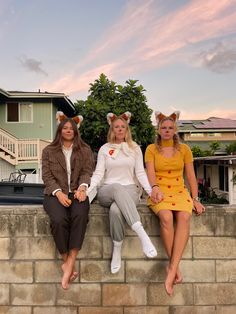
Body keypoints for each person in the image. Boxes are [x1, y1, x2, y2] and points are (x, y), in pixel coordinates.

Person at [87, 112, 157, 274]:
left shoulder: (135, 148)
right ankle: (142, 234)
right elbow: (98, 174)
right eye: (116, 127)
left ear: (127, 129)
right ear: (112, 129)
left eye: (123, 127)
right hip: (108, 190)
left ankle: (117, 249)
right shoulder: (105, 149)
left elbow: (140, 173)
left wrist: (150, 191)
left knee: (116, 210)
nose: (119, 129)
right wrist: (87, 189)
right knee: (116, 187)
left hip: (130, 190)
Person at [145, 111, 205, 296]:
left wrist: (195, 198)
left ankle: (171, 269)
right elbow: (150, 173)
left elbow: (191, 176)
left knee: (185, 216)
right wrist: (154, 187)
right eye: (164, 127)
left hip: (179, 191)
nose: (167, 130)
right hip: (159, 191)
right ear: (159, 129)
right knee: (166, 216)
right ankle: (175, 268)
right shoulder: (151, 149)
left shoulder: (185, 149)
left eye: (170, 128)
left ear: (175, 130)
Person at [42, 112, 94, 290]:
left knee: (80, 216)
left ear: (76, 130)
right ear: (60, 130)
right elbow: (47, 177)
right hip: (54, 194)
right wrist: (58, 193)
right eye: (65, 128)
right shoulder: (48, 151)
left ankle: (68, 265)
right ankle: (67, 262)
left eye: (71, 128)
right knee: (58, 220)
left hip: (77, 193)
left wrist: (82, 187)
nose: (68, 130)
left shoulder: (85, 150)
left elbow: (87, 172)